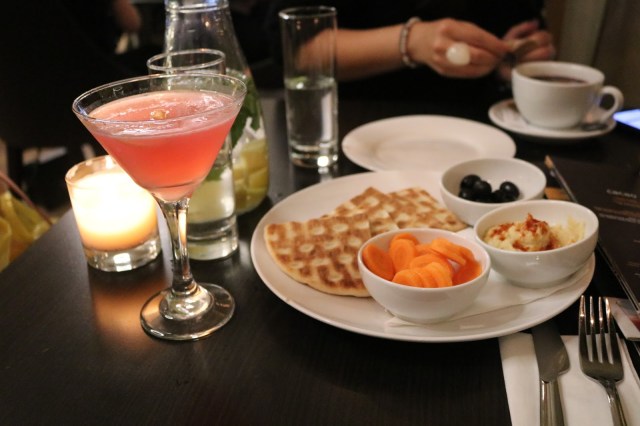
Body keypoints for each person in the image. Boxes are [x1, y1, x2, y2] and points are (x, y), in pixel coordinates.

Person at [265, 0, 555, 108]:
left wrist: (512, 58)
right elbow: (295, 47)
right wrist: (411, 42)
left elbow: (522, 26)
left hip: (484, 124)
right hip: (354, 123)